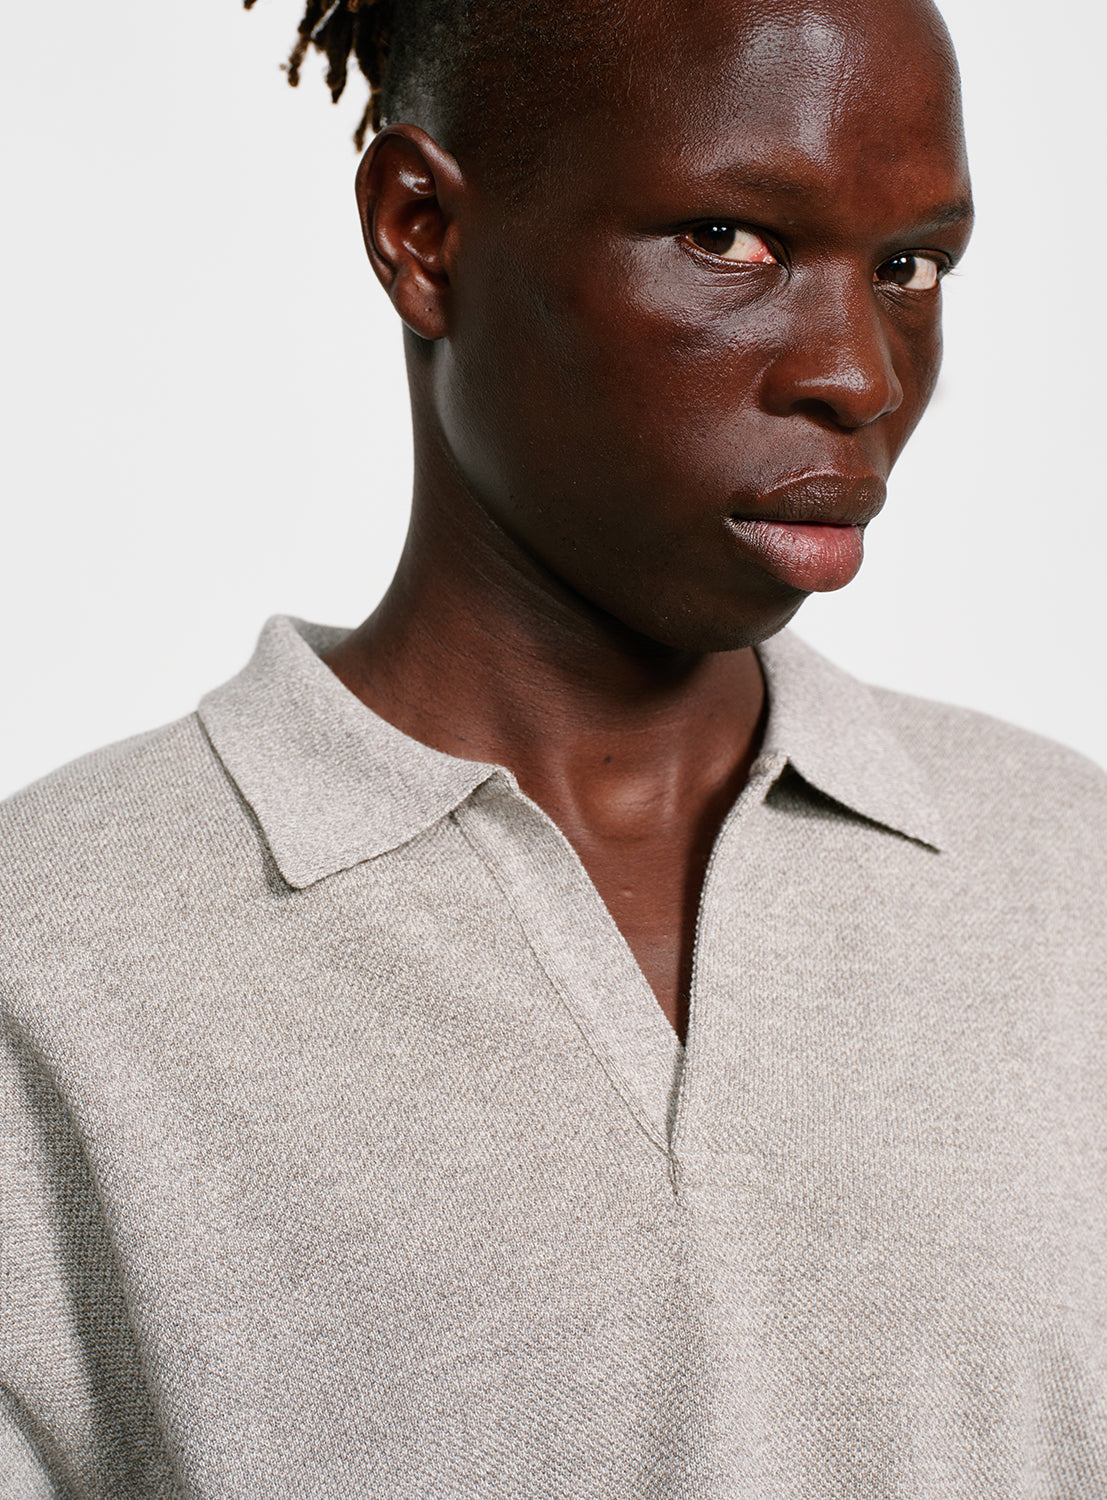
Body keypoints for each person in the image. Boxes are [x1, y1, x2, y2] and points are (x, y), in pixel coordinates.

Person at [1, 0, 1103, 1493]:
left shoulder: (1074, 879)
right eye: (730, 240)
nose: (861, 377)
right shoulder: (51, 957)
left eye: (909, 267)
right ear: (423, 232)